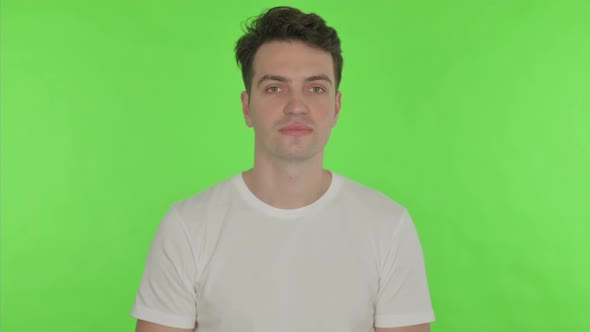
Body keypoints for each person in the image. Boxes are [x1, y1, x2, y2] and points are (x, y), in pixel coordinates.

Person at [131, 6, 435, 332]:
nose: (296, 106)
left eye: (315, 88)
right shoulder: (186, 228)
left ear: (336, 107)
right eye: (275, 87)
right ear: (247, 108)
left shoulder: (388, 226)